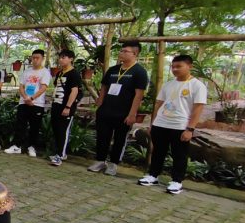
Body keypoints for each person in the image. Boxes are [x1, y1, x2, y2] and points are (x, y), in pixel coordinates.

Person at [137, 54, 207, 194]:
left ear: (189, 66)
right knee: (158, 151)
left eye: (179, 66)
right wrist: (153, 123)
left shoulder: (197, 86)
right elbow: (159, 104)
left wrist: (190, 129)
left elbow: (198, 108)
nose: (175, 69)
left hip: (180, 126)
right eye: (173, 67)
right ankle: (153, 175)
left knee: (179, 154)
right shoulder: (168, 84)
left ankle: (176, 181)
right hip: (161, 124)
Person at [89, 40, 149, 176]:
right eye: (121, 51)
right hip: (106, 110)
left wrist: (132, 114)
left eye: (125, 51)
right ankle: (100, 160)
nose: (121, 53)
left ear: (135, 53)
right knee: (102, 136)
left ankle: (113, 163)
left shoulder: (139, 72)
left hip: (124, 112)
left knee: (120, 139)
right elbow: (104, 87)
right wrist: (100, 102)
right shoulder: (113, 70)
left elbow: (139, 95)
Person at [6, 49, 51, 156]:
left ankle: (32, 147)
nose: (35, 60)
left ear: (42, 59)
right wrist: (26, 98)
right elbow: (21, 87)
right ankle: (17, 146)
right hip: (23, 102)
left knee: (34, 127)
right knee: (20, 125)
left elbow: (43, 88)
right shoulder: (26, 72)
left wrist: (32, 99)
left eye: (37, 58)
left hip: (37, 104)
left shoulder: (45, 72)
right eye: (33, 58)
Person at [48, 49, 83, 166]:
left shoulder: (74, 74)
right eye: (60, 57)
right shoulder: (59, 73)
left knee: (63, 131)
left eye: (64, 57)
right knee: (56, 130)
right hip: (56, 105)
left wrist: (68, 107)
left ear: (71, 59)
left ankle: (60, 155)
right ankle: (59, 152)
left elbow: (75, 91)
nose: (61, 59)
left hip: (66, 107)